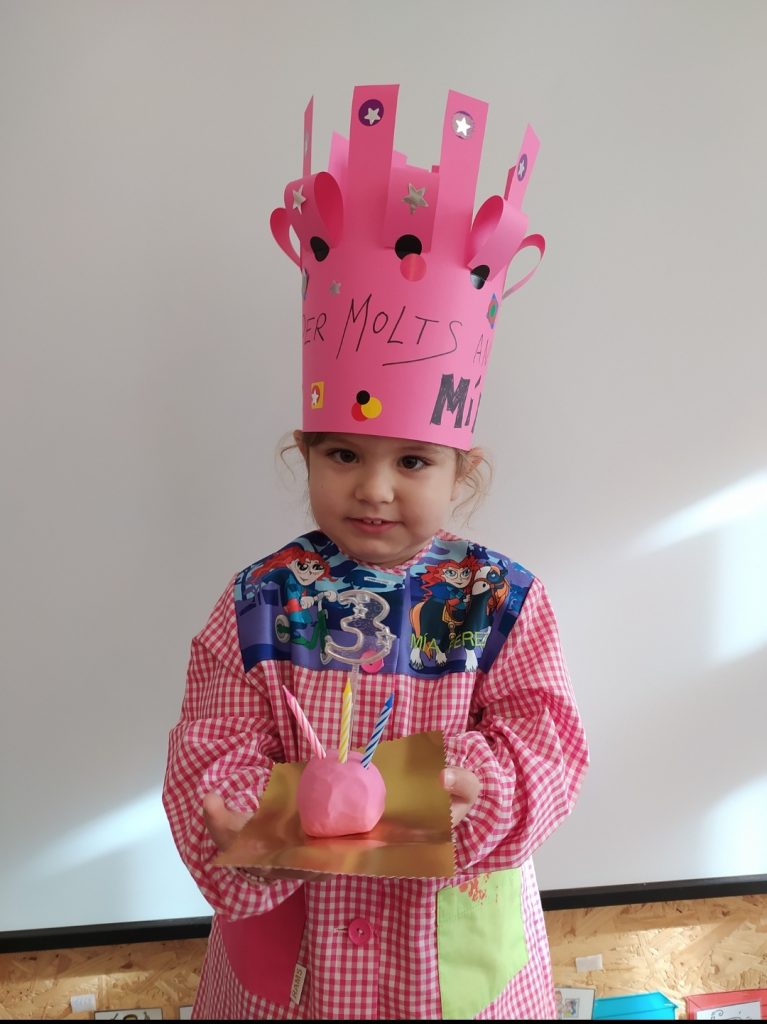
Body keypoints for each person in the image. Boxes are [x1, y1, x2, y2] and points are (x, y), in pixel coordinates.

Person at [163, 83, 588, 1020]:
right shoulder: (260, 600)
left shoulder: (501, 599)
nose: (375, 488)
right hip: (297, 978)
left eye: (412, 461)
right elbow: (208, 748)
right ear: (305, 452)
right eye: (344, 455)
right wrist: (249, 813)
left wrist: (476, 787)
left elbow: (547, 740)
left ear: (461, 468)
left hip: (449, 975)